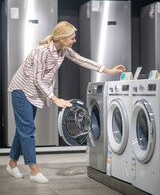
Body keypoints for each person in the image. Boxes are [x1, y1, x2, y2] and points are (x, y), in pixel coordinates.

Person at [6, 21, 125, 183]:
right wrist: (55, 99)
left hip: (36, 92)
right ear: (61, 38)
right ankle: (34, 171)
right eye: (72, 38)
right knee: (27, 129)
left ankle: (12, 164)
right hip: (22, 90)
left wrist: (108, 70)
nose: (75, 40)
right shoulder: (41, 51)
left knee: (24, 128)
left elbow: (81, 60)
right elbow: (37, 78)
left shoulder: (63, 50)